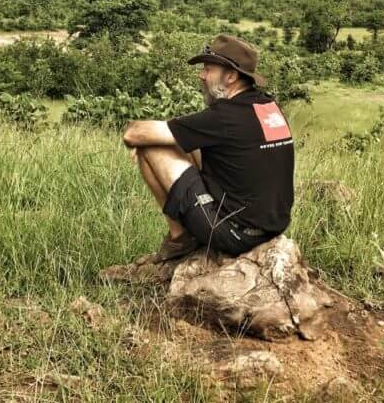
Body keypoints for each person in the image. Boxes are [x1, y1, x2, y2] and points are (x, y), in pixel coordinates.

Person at [122, 34, 294, 260]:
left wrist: (140, 141)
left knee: (151, 148)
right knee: (184, 139)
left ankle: (180, 237)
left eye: (208, 69)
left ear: (231, 76)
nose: (201, 76)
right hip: (271, 227)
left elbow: (133, 133)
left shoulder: (224, 117)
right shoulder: (268, 106)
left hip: (234, 233)